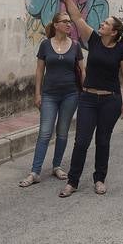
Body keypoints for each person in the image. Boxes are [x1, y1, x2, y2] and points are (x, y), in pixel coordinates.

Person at [56, 0, 123, 198]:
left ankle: (99, 179)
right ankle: (73, 181)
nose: (102, 23)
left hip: (110, 101)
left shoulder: (121, 50)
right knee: (81, 141)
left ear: (114, 31)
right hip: (88, 98)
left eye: (106, 23)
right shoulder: (94, 40)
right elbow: (77, 18)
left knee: (103, 141)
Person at [19, 11, 84, 187]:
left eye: (70, 22)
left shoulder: (76, 46)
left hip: (71, 94)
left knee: (63, 132)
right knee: (45, 132)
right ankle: (35, 171)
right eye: (65, 22)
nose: (69, 24)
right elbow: (40, 71)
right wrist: (37, 93)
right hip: (49, 95)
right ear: (56, 25)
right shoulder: (45, 45)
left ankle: (57, 166)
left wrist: (84, 91)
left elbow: (81, 71)